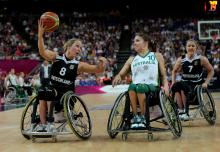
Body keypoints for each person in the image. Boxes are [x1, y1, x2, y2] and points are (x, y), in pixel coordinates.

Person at [36, 20, 107, 132]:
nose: (79, 49)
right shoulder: (56, 57)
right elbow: (42, 52)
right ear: (68, 46)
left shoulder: (79, 65)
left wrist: (103, 62)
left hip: (66, 95)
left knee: (49, 92)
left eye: (80, 47)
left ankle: (50, 123)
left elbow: (97, 69)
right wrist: (40, 35)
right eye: (77, 46)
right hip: (52, 89)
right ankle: (44, 125)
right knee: (42, 91)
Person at [112, 32, 169, 129]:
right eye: (134, 41)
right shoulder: (132, 59)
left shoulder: (157, 56)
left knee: (139, 87)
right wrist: (118, 76)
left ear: (146, 43)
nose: (134, 43)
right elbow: (122, 74)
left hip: (153, 88)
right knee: (132, 86)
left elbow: (163, 75)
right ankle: (136, 117)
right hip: (136, 89)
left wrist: (166, 86)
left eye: (137, 41)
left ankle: (143, 117)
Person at [171, 39, 214, 121]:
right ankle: (181, 110)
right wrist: (173, 82)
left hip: (196, 84)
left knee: (184, 87)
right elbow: (174, 71)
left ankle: (186, 112)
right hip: (185, 82)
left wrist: (206, 82)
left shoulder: (201, 59)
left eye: (193, 46)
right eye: (189, 46)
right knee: (176, 86)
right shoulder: (181, 59)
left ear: (196, 48)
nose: (191, 47)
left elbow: (211, 71)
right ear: (185, 48)